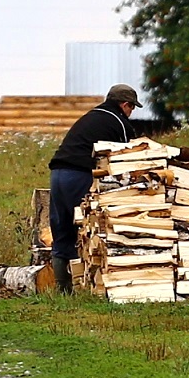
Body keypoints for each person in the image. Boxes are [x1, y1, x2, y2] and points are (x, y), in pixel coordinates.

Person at [44, 84, 140, 294]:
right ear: (125, 105)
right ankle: (90, 286)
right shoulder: (118, 122)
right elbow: (131, 157)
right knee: (89, 229)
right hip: (79, 175)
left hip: (58, 174)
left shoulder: (90, 116)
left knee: (62, 232)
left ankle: (64, 291)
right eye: (131, 108)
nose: (131, 113)